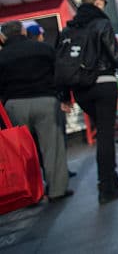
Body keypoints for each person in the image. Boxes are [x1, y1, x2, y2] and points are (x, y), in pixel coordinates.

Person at [61, 0, 118, 203]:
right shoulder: (101, 23)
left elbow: (62, 64)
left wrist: (65, 96)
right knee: (106, 135)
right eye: (104, 1)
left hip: (81, 90)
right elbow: (115, 55)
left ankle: (112, 178)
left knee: (102, 131)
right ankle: (105, 186)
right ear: (97, 1)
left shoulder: (69, 29)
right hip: (103, 84)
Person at [0, 20, 73, 202]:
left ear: (4, 36)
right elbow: (60, 74)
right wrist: (65, 97)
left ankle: (31, 193)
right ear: (23, 31)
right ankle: (57, 190)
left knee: (24, 152)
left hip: (14, 105)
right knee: (52, 147)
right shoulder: (44, 49)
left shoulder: (2, 56)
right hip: (46, 100)